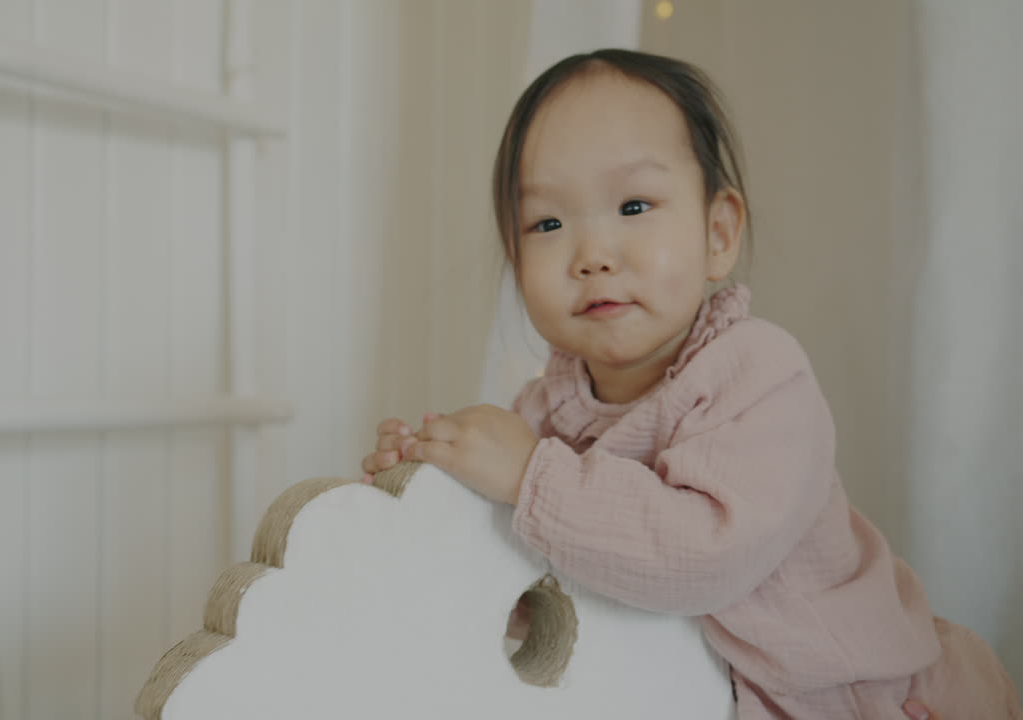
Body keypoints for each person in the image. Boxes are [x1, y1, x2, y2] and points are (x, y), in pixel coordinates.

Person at [360, 49, 1020, 719]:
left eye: (634, 205)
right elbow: (552, 585)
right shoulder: (541, 413)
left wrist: (528, 474)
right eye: (548, 223)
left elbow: (704, 556)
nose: (593, 256)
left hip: (857, 694)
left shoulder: (758, 373)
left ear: (718, 233)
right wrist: (432, 483)